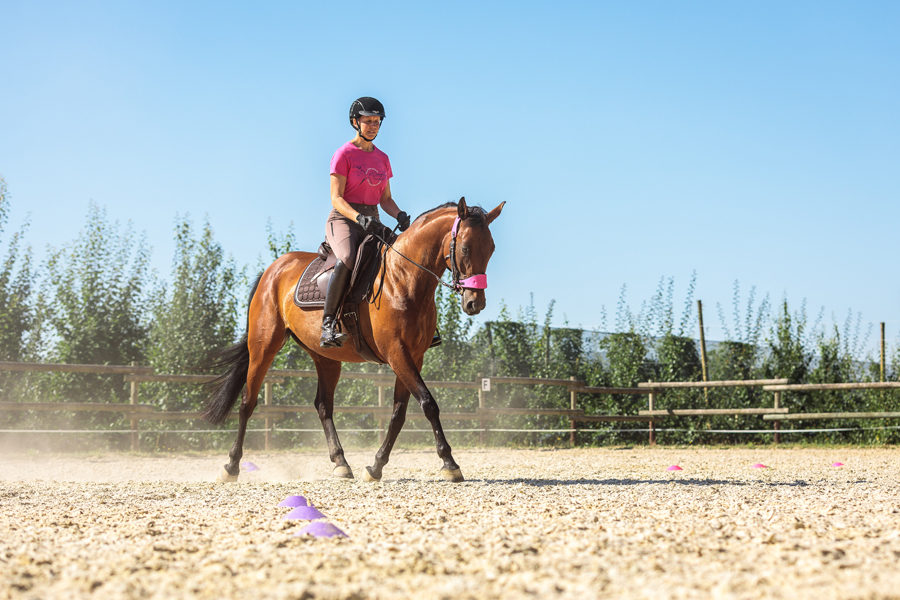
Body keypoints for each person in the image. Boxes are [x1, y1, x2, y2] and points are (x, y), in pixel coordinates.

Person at [321, 96, 411, 348]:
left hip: (373, 218)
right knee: (348, 257)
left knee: (402, 257)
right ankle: (328, 324)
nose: (373, 126)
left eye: (377, 121)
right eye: (368, 121)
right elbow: (336, 198)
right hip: (344, 218)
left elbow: (386, 199)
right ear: (355, 122)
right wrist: (358, 217)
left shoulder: (382, 158)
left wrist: (399, 214)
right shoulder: (343, 154)